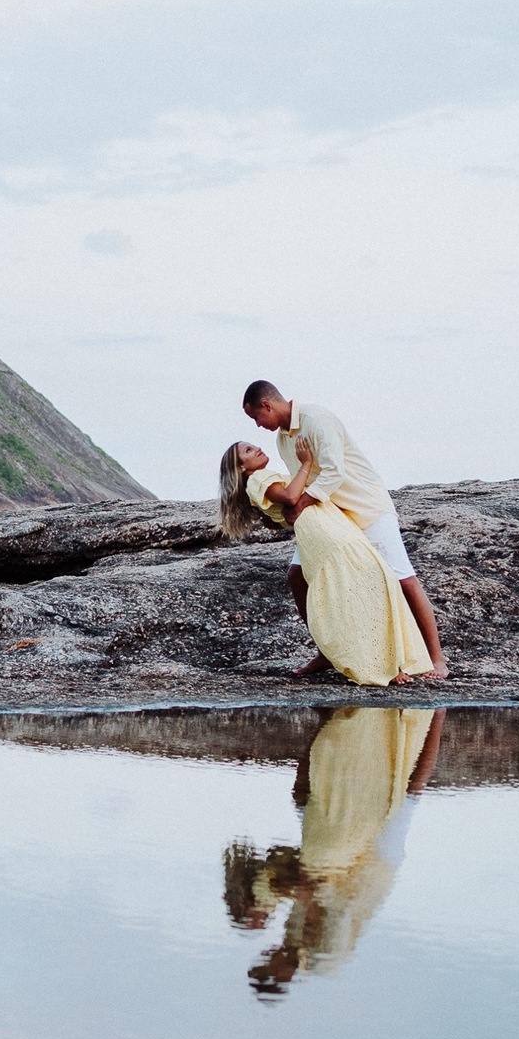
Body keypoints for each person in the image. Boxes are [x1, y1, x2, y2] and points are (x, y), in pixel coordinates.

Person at [223, 706, 444, 994]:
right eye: (268, 964)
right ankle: (437, 716)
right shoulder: (323, 961)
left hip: (328, 861)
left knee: (302, 797)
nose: (269, 955)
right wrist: (293, 889)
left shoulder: (290, 938)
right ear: (281, 977)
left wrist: (275, 891)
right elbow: (337, 909)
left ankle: (328, 723)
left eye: (263, 959)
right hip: (368, 871)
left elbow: (305, 889)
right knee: (408, 794)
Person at [242, 380, 448, 680]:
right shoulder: (283, 441)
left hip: (366, 508)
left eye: (256, 417)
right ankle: (327, 650)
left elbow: (333, 472)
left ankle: (436, 659)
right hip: (331, 520)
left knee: (403, 580)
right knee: (297, 577)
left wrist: (301, 504)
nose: (258, 426)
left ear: (267, 405)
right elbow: (300, 482)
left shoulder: (316, 420)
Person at [217, 437, 433, 687]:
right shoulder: (258, 479)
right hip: (327, 533)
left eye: (253, 446)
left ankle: (383, 661)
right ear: (241, 467)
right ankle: (384, 666)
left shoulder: (259, 481)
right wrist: (306, 463)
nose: (257, 449)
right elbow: (289, 497)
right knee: (366, 590)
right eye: (248, 450)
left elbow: (280, 514)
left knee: (360, 591)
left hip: (330, 528)